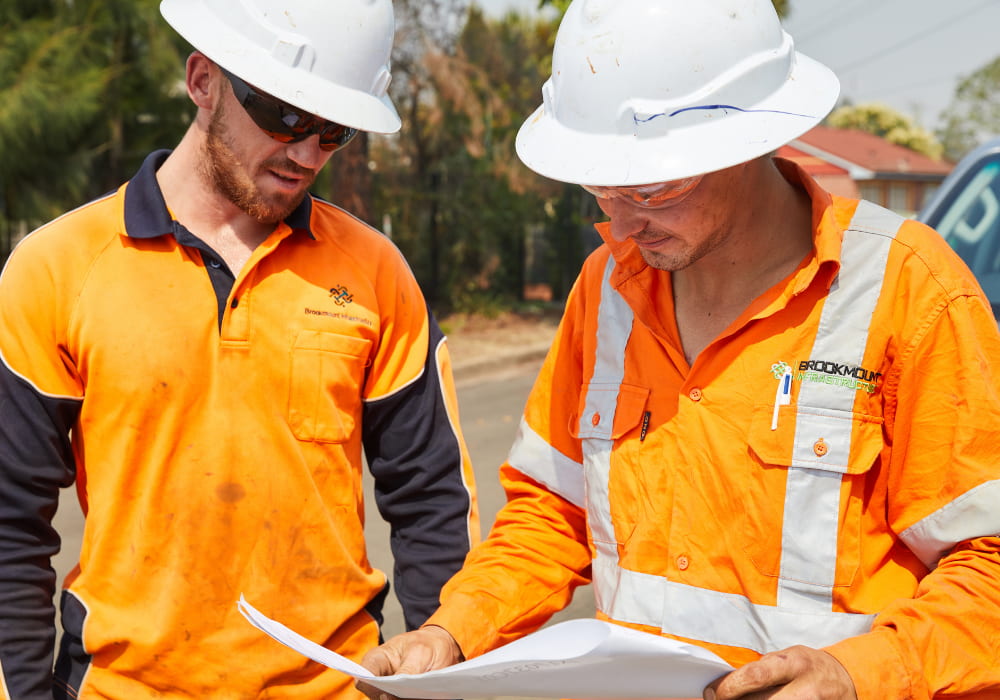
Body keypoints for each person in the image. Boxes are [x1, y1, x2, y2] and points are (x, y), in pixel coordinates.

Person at [358, 1, 1000, 698]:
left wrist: (858, 674)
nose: (621, 219)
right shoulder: (606, 288)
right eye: (599, 185)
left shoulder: (909, 292)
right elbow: (552, 514)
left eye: (649, 187)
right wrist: (452, 632)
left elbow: (989, 571)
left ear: (747, 142)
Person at [0, 1, 480, 698]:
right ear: (203, 80)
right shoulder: (56, 268)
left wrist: (445, 677)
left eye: (333, 131)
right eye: (285, 116)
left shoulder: (376, 274)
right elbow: (10, 521)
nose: (307, 153)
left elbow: (431, 496)